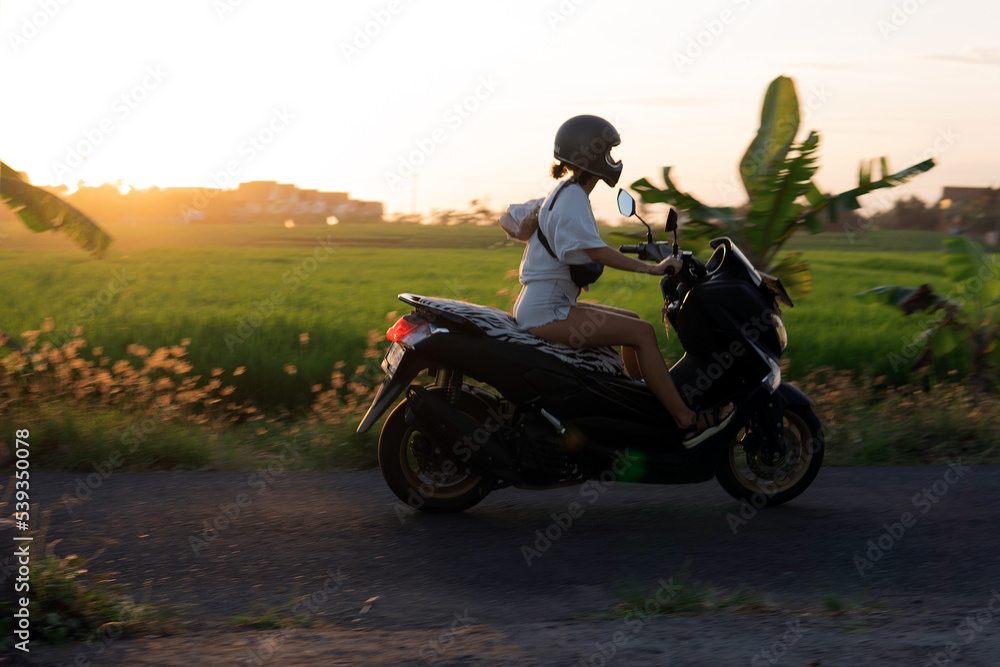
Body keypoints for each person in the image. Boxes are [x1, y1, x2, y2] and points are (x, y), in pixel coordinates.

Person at [503, 114, 733, 445]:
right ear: (590, 155)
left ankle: (643, 405)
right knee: (642, 332)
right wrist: (652, 270)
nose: (613, 160)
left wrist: (521, 227)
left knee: (633, 323)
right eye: (608, 152)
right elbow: (597, 252)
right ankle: (686, 421)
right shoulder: (571, 198)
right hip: (546, 312)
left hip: (546, 304)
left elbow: (507, 216)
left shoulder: (562, 192)